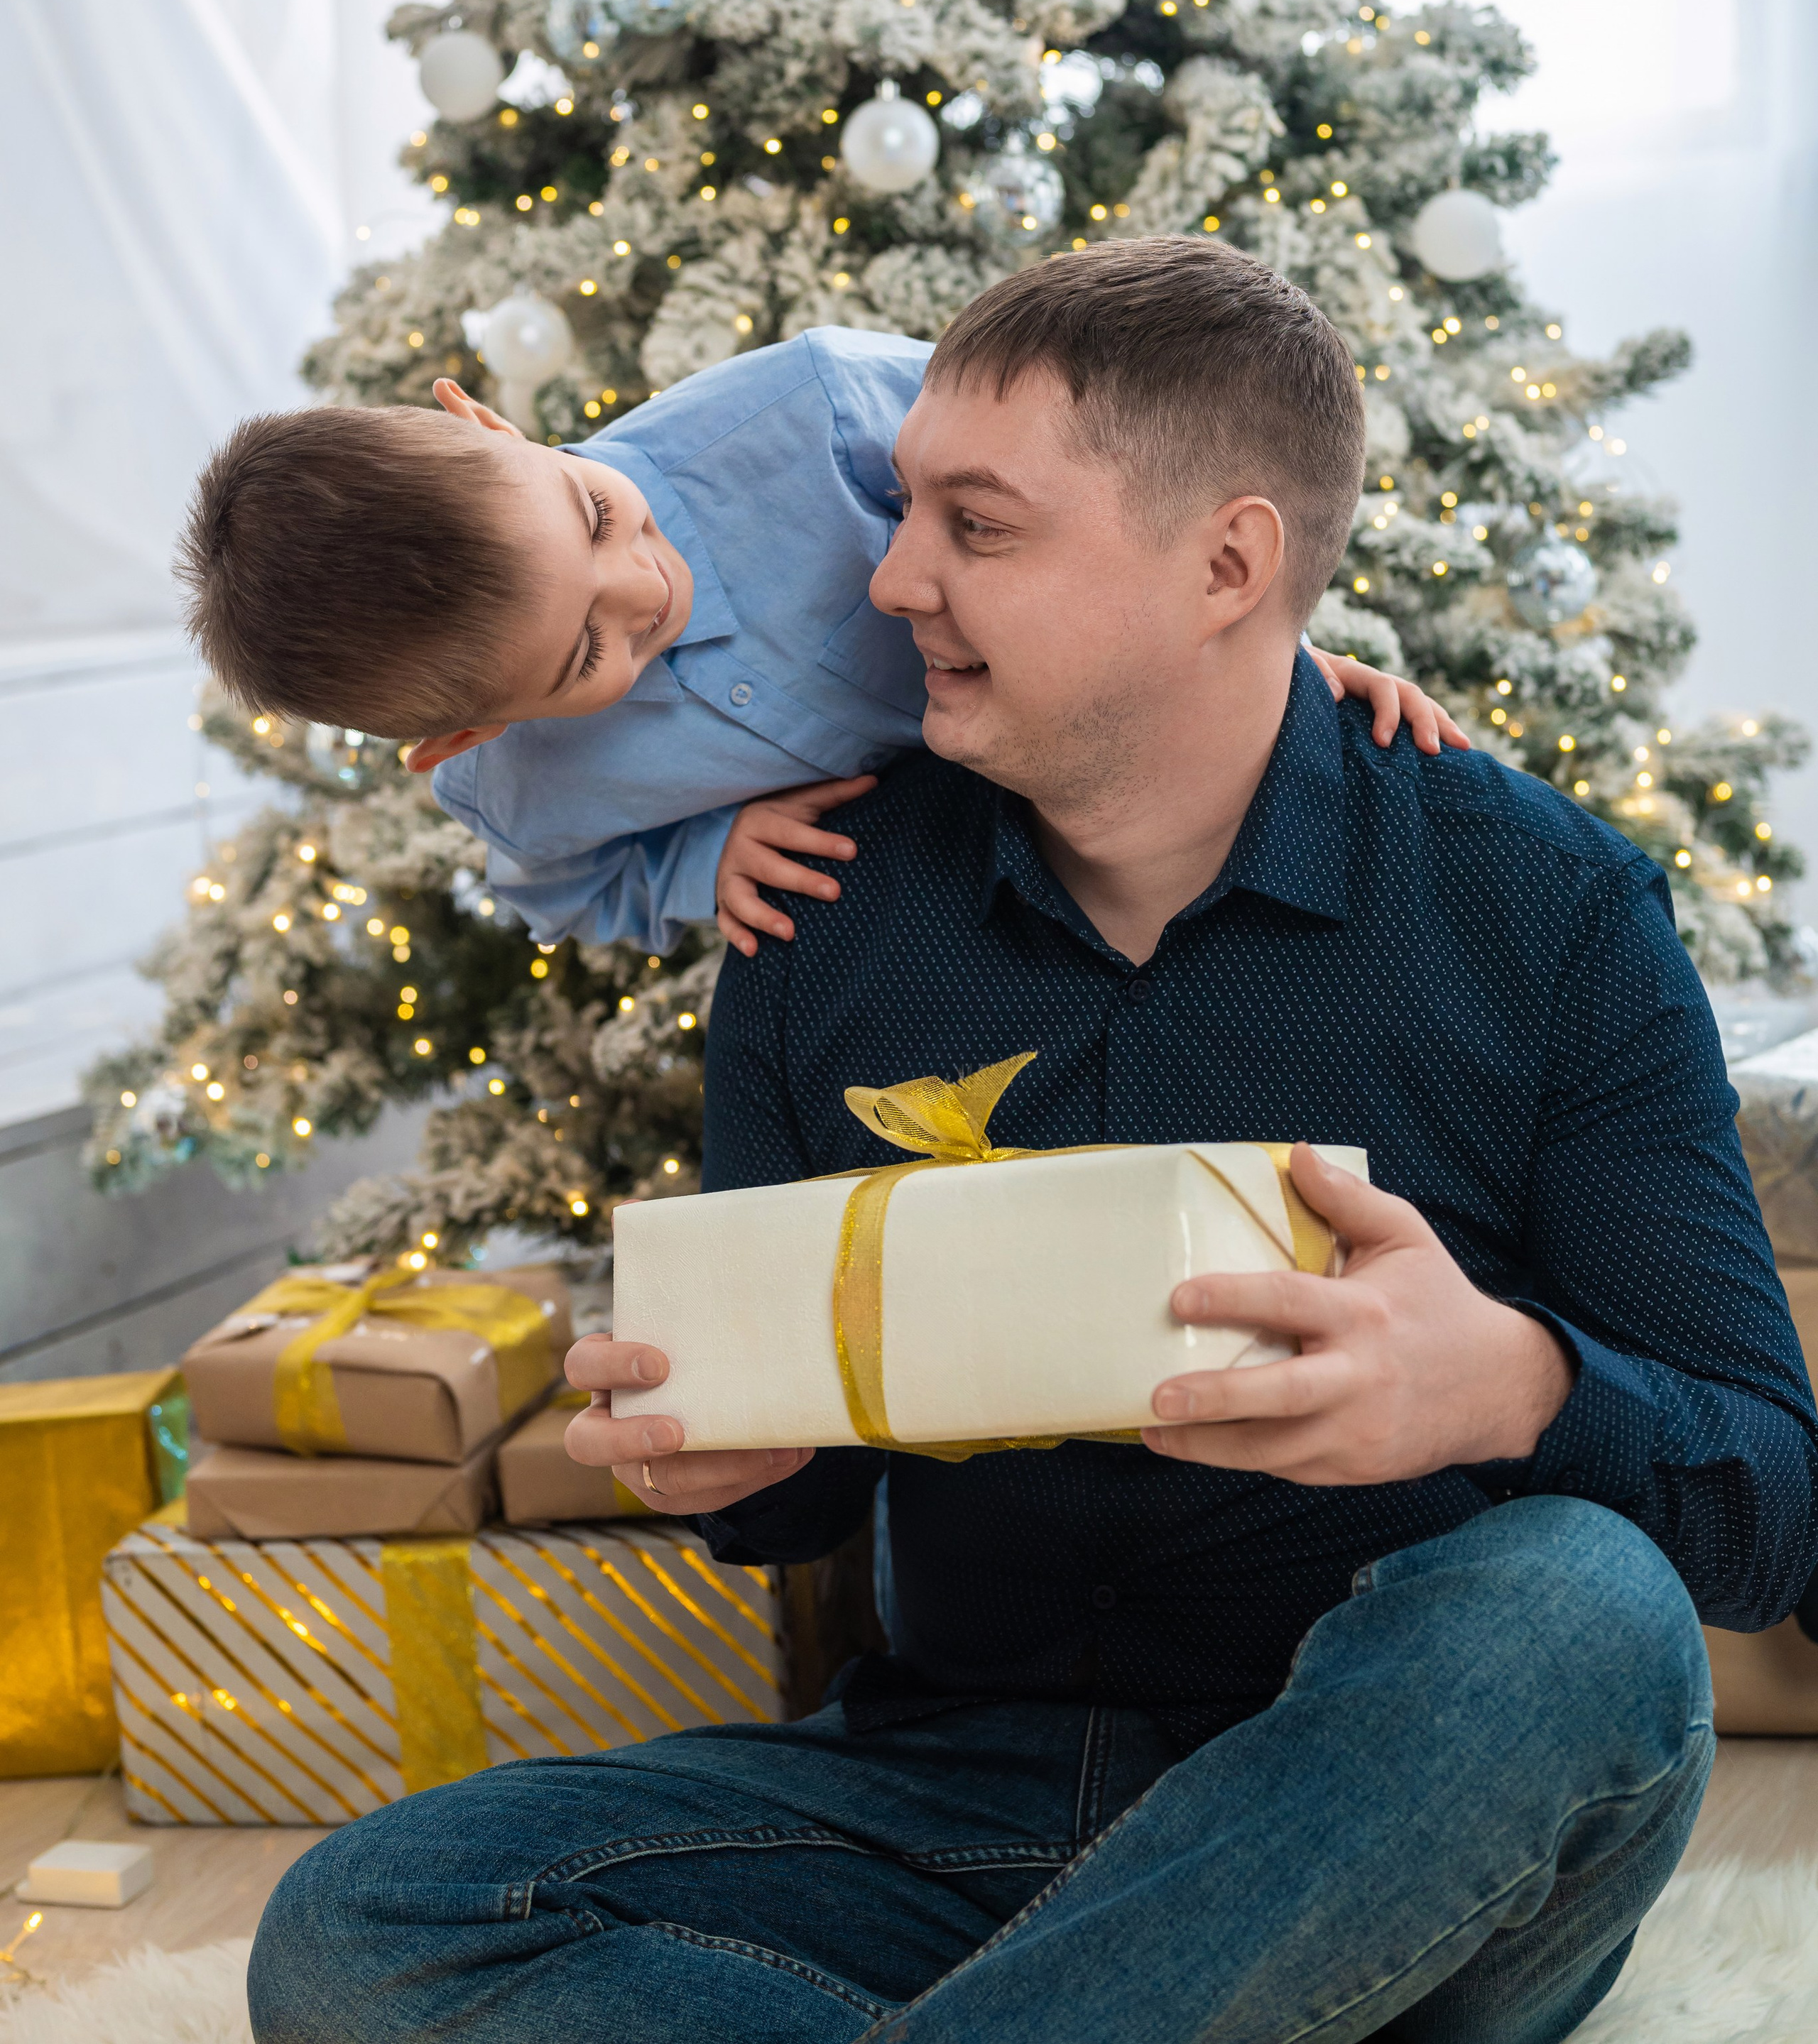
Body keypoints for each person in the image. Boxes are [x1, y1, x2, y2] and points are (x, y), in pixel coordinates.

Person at [249, 241, 1818, 2044]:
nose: (888, 573)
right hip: (958, 1793)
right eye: (901, 504)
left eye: (972, 526)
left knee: (1577, 1609)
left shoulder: (1540, 909)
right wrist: (741, 1457)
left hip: (1397, 1797)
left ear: (1228, 563)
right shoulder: (818, 906)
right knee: (363, 1926)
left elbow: (1766, 1517)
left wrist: (1512, 1391)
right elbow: (812, 1493)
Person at [180, 326, 1454, 958]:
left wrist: (1256, 645)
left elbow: (1099, 493)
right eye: (586, 656)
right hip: (960, 870)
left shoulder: (809, 407)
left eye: (599, 513)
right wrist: (700, 862)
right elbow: (564, 894)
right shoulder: (518, 793)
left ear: (498, 427)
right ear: (467, 736)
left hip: (1132, 715)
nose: (645, 586)